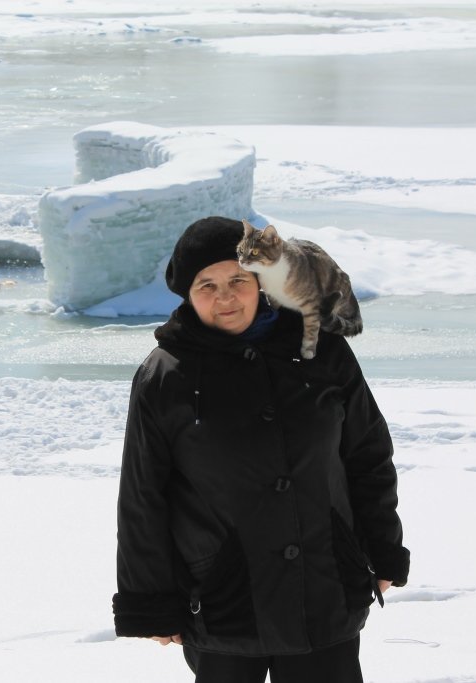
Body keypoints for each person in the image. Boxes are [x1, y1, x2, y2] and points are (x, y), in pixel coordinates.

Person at [112, 216, 409, 682]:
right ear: (187, 294)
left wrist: (383, 548)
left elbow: (367, 454)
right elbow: (143, 495)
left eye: (237, 279)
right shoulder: (165, 376)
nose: (225, 297)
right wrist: (150, 600)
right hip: (222, 602)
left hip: (325, 589)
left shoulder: (320, 351)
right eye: (206, 285)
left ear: (261, 281)